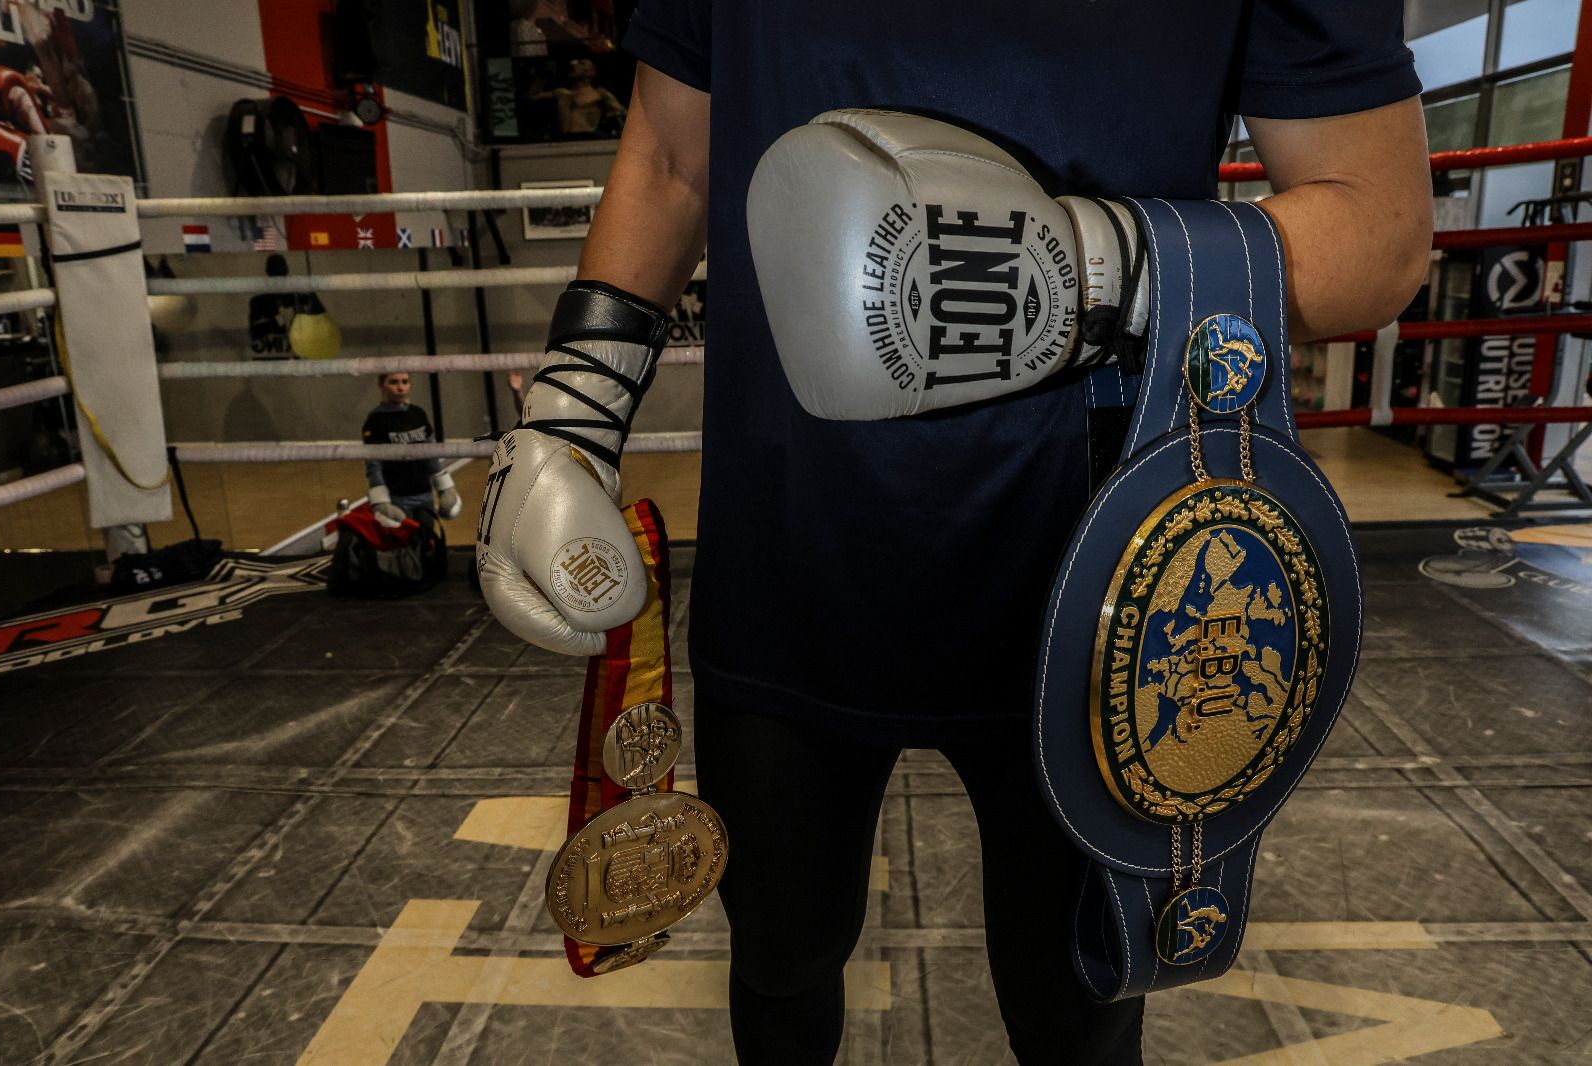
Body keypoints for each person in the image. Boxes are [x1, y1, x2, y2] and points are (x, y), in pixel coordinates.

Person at [477, 5, 1433, 1064]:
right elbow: (669, 156)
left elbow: (1380, 231)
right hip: (792, 545)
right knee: (779, 962)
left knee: (1076, 1006)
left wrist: (1083, 268)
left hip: (1098, 571)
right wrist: (574, 406)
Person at [362, 371, 460, 526]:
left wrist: (444, 488)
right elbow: (373, 463)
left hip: (424, 492)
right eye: (394, 382)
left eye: (405, 381)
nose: (401, 387)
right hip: (397, 496)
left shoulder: (418, 413)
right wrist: (380, 500)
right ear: (381, 385)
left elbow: (431, 453)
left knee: (428, 539)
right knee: (402, 542)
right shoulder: (376, 420)